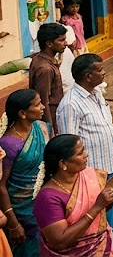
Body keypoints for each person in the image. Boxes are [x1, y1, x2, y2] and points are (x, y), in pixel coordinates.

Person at [54, 55, 113, 254]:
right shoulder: (70, 105)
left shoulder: (97, 93)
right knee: (100, 216)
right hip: (92, 171)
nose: (104, 72)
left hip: (109, 163)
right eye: (100, 70)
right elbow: (68, 144)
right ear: (88, 75)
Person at [33, 135, 113, 256]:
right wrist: (97, 206)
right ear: (63, 163)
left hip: (101, 247)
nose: (86, 155)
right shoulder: (47, 198)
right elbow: (60, 241)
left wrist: (109, 198)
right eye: (80, 153)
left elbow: (102, 214)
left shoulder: (90, 176)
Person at [0, 89, 50, 257]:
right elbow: (1, 185)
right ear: (22, 113)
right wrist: (13, 223)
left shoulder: (42, 128)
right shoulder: (8, 144)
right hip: (22, 211)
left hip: (45, 201)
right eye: (37, 105)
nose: (43, 107)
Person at [29, 24, 67, 125]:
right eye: (61, 40)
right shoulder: (45, 69)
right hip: (51, 118)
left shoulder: (43, 60)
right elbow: (43, 101)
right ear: (49, 44)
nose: (66, 43)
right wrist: (49, 130)